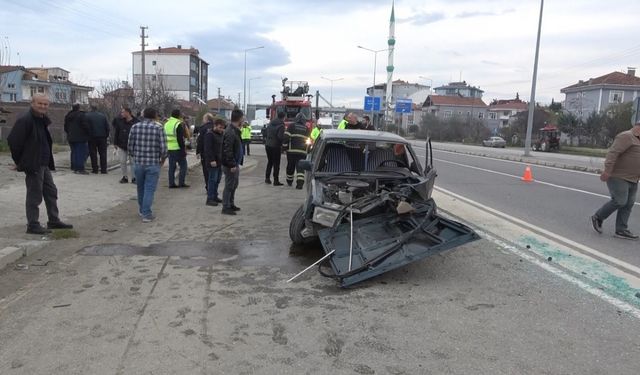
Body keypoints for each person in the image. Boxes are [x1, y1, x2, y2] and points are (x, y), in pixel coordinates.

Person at [7, 94, 73, 234]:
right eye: (40, 103)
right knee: (34, 195)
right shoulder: (25, 120)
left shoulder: (42, 119)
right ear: (32, 103)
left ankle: (53, 220)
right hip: (33, 164)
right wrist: (21, 162)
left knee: (51, 192)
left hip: (44, 163)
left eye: (45, 104)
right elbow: (13, 141)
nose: (43, 106)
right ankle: (33, 225)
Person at [591, 121, 640, 240]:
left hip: (633, 178)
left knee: (628, 204)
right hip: (618, 176)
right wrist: (607, 171)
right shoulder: (626, 136)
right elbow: (613, 153)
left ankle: (621, 230)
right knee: (620, 201)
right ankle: (598, 217)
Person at [128, 107, 167, 223]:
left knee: (140, 188)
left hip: (139, 163)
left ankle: (141, 210)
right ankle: (146, 213)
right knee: (149, 189)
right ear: (155, 115)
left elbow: (130, 146)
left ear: (143, 115)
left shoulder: (135, 127)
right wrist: (162, 161)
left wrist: (135, 156)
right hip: (153, 163)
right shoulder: (159, 128)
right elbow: (164, 149)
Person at [221, 109, 244, 215]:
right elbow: (228, 149)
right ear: (239, 119)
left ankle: (231, 203)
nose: (243, 120)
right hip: (230, 164)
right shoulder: (230, 132)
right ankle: (226, 207)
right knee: (229, 185)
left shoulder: (235, 130)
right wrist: (231, 164)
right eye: (242, 118)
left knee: (234, 184)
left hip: (235, 163)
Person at [284, 112, 310, 189]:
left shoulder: (291, 126)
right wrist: (308, 151)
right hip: (302, 152)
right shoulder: (307, 129)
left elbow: (286, 137)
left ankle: (289, 181)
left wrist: (284, 147)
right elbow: (309, 141)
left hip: (291, 151)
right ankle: (300, 184)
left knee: (290, 166)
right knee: (300, 168)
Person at [112, 107, 139, 183]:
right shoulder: (120, 121)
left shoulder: (136, 122)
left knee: (133, 162)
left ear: (128, 112)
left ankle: (134, 177)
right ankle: (125, 177)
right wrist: (115, 143)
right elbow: (117, 132)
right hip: (122, 144)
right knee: (122, 161)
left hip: (133, 145)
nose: (121, 114)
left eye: (123, 112)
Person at [164, 109, 189, 188]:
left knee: (172, 167)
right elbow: (180, 139)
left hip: (169, 148)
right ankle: (181, 182)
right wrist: (183, 150)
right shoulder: (178, 124)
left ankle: (171, 183)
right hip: (177, 148)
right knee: (183, 166)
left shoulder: (166, 123)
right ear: (179, 115)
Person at [203, 118, 226, 206]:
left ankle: (215, 196)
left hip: (219, 161)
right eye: (220, 127)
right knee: (212, 180)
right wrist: (212, 160)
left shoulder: (221, 134)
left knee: (217, 180)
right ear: (215, 126)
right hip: (212, 162)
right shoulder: (209, 135)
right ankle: (210, 198)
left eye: (223, 128)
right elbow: (208, 149)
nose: (221, 129)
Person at [63, 103, 90, 174]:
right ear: (79, 108)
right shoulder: (81, 115)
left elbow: (65, 127)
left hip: (71, 137)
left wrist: (69, 133)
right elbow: (85, 126)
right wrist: (87, 132)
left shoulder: (68, 116)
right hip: (80, 137)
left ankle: (75, 168)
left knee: (74, 152)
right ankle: (80, 169)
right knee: (81, 153)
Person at [85, 105, 110, 174]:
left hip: (92, 137)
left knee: (93, 153)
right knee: (103, 153)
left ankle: (95, 169)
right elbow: (107, 127)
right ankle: (104, 169)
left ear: (90, 108)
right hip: (102, 137)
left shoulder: (87, 116)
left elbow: (86, 127)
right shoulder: (103, 116)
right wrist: (106, 135)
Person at [196, 113, 216, 192]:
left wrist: (198, 152)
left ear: (207, 119)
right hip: (215, 153)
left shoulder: (203, 128)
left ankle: (208, 187)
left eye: (204, 119)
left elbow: (200, 141)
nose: (203, 120)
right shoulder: (215, 126)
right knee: (215, 172)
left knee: (206, 170)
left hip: (205, 153)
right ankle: (213, 187)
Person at [264, 111, 285, 185]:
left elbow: (266, 132)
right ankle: (276, 180)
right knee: (276, 164)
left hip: (268, 145)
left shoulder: (271, 123)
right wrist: (283, 142)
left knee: (270, 162)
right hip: (275, 146)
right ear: (283, 117)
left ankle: (267, 178)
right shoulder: (281, 125)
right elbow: (280, 137)